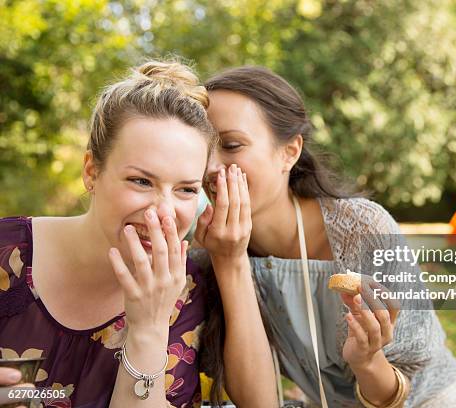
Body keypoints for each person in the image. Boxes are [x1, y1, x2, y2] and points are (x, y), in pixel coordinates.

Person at [192, 66, 456, 407]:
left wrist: (367, 360)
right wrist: (230, 262)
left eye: (230, 145)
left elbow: (400, 391)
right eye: (201, 149)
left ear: (290, 152)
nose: (211, 167)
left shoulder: (364, 229)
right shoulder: (212, 249)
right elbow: (258, 403)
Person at [0, 60, 277, 407]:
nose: (163, 211)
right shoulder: (7, 253)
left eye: (186, 189)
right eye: (141, 181)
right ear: (91, 171)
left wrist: (148, 329)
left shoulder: (187, 293)